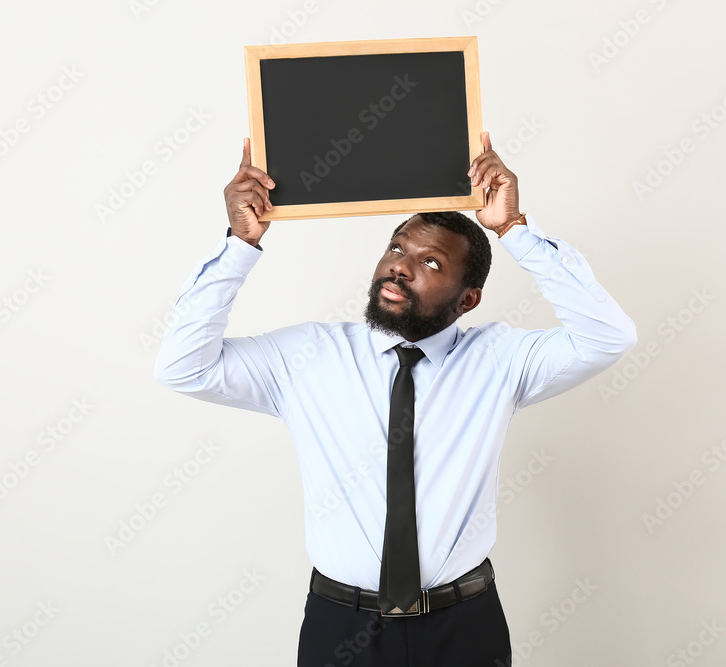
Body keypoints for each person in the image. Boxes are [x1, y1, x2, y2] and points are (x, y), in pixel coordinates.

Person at [154, 131, 638, 666]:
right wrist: (239, 247)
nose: (400, 266)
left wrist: (512, 229)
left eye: (431, 264)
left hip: (465, 628)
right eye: (396, 247)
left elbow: (608, 336)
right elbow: (183, 366)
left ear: (468, 298)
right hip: (340, 627)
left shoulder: (500, 361)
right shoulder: (308, 357)